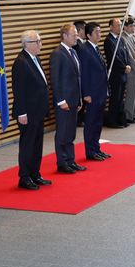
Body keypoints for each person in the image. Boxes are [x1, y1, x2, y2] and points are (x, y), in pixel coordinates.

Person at [11, 30, 52, 190]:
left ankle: (35, 174)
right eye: (37, 41)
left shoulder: (35, 58)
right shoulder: (21, 62)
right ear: (26, 44)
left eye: (40, 41)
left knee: (37, 144)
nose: (40, 44)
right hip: (27, 112)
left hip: (38, 111)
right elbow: (19, 90)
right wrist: (21, 113)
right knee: (28, 145)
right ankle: (25, 177)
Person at [50, 24, 86, 174]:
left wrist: (79, 99)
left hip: (74, 100)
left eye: (77, 34)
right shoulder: (58, 54)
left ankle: (71, 160)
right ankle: (62, 162)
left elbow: (77, 78)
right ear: (64, 36)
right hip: (64, 101)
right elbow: (55, 79)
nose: (76, 37)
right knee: (63, 132)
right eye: (73, 35)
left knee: (71, 132)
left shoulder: (73, 52)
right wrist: (60, 100)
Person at [76, 22, 111, 161]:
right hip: (92, 93)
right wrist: (86, 94)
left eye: (100, 31)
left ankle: (96, 148)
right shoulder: (84, 49)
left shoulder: (96, 48)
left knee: (98, 122)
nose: (99, 34)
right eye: (96, 32)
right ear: (88, 35)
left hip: (101, 91)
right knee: (91, 123)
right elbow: (83, 73)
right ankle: (90, 151)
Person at [104, 18, 131, 128]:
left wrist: (128, 64)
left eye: (121, 25)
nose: (120, 27)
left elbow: (125, 54)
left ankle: (121, 119)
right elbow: (113, 58)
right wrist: (124, 67)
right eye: (118, 25)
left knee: (121, 98)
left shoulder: (121, 39)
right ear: (111, 27)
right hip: (116, 74)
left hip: (123, 73)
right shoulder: (108, 40)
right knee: (115, 98)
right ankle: (112, 121)